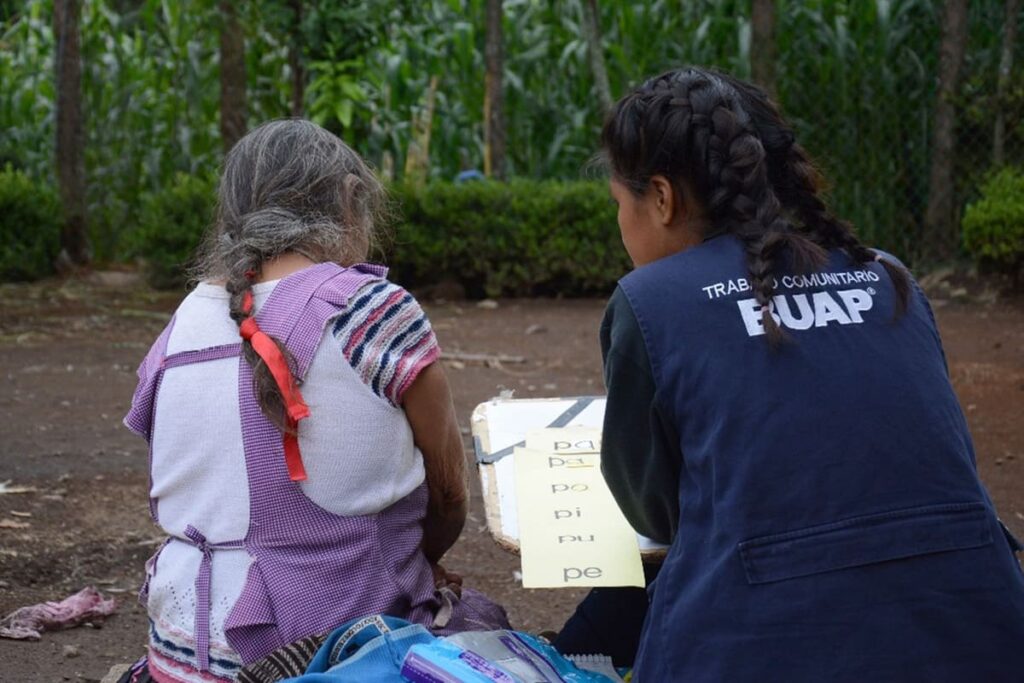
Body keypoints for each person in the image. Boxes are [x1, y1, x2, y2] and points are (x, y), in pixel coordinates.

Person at [592, 67, 1024, 681]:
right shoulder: (889, 278)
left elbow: (655, 516)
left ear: (661, 199)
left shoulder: (652, 303)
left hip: (761, 647)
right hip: (981, 635)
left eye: (618, 204)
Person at [123, 120, 507, 683]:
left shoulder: (182, 324)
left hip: (183, 657)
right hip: (331, 658)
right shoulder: (373, 311)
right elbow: (448, 498)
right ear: (352, 200)